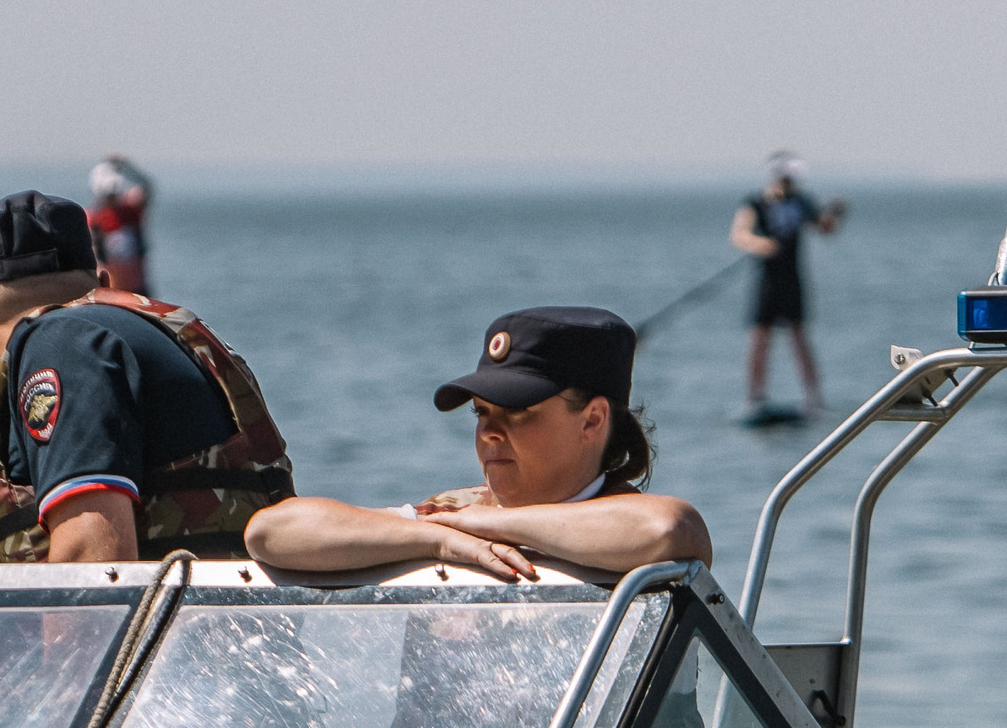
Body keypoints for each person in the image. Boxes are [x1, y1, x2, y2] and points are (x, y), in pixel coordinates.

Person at [0, 190, 294, 565]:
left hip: (167, 622)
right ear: (104, 283)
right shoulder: (148, 335)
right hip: (229, 616)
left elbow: (93, 559)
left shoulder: (60, 343)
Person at [243, 307, 709, 579]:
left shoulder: (625, 526)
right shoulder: (454, 516)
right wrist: (439, 541)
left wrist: (497, 527)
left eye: (519, 412)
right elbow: (271, 532)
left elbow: (668, 530)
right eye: (481, 412)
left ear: (592, 420)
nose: (489, 432)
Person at [730, 153, 846, 416]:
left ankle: (813, 397)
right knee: (760, 338)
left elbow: (825, 228)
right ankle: (755, 396)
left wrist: (835, 214)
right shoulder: (756, 202)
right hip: (767, 280)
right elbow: (739, 234)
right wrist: (762, 245)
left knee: (799, 338)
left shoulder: (802, 203)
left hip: (793, 280)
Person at [88, 154, 153, 294]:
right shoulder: (92, 219)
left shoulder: (131, 210)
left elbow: (147, 187)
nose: (111, 198)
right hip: (112, 291)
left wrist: (126, 167)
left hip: (139, 289)